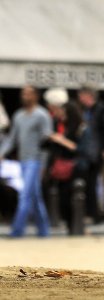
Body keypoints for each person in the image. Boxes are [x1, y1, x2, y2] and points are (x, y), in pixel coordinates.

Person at [0, 85, 52, 238]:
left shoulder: (42, 115)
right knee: (35, 197)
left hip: (35, 161)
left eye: (28, 94)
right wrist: (2, 152)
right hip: (23, 160)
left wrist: (44, 164)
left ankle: (17, 230)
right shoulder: (18, 116)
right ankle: (44, 231)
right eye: (23, 93)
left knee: (24, 195)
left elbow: (46, 142)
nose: (24, 96)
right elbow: (12, 139)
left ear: (35, 96)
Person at [44, 87, 87, 234]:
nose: (59, 114)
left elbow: (79, 147)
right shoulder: (58, 124)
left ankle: (74, 227)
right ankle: (68, 224)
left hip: (74, 166)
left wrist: (60, 140)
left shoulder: (79, 127)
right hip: (60, 165)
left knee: (72, 197)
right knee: (62, 198)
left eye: (62, 112)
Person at [77, 84, 104, 223]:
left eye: (81, 95)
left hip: (96, 152)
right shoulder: (83, 110)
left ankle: (94, 215)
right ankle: (88, 213)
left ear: (89, 95)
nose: (79, 98)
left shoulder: (101, 108)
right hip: (85, 152)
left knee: (92, 183)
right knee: (85, 184)